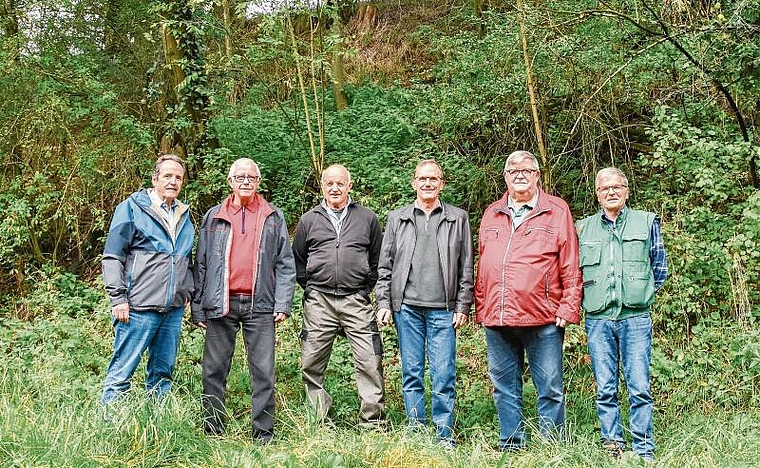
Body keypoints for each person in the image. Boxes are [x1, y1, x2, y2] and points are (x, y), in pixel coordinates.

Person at [474, 150, 582, 451]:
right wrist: (481, 307)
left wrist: (569, 304)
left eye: (526, 170)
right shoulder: (492, 213)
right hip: (497, 317)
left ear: (537, 175)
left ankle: (552, 446)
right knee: (504, 386)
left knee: (549, 387)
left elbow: (570, 260)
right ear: (505, 177)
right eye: (512, 170)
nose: (519, 174)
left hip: (544, 316)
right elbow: (484, 263)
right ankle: (511, 443)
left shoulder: (556, 210)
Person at [191, 158, 296, 444]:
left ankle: (263, 433)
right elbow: (201, 263)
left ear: (259, 182)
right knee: (213, 369)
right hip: (220, 302)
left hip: (260, 304)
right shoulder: (214, 215)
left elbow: (285, 264)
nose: (246, 181)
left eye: (251, 176)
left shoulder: (273, 216)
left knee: (263, 371)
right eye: (240, 176)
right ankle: (212, 430)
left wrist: (283, 302)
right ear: (230, 181)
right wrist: (198, 305)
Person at [375, 159, 474, 446]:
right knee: (412, 373)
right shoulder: (398, 218)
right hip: (407, 309)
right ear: (413, 183)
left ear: (442, 184)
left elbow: (467, 265)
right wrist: (384, 302)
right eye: (423, 178)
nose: (428, 183)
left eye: (434, 178)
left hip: (444, 310)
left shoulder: (458, 218)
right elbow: (386, 265)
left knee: (443, 374)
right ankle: (416, 433)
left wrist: (462, 306)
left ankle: (444, 435)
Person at [576, 167, 667, 462]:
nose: (611, 192)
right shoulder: (583, 228)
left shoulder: (646, 222)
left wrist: (642, 293)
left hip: (635, 318)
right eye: (605, 188)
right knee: (605, 387)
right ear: (597, 194)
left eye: (617, 187)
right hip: (599, 319)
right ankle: (612, 446)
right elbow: (574, 273)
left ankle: (643, 448)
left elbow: (660, 267)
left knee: (639, 386)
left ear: (627, 191)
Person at [292, 164, 385, 425]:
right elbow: (298, 260)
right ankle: (319, 418)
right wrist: (310, 288)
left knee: (369, 358)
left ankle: (373, 420)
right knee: (312, 361)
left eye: (340, 183)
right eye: (329, 183)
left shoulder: (367, 218)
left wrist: (365, 289)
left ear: (349, 186)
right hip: (320, 300)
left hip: (356, 299)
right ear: (322, 186)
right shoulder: (309, 220)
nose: (335, 188)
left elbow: (377, 261)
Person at [101, 154, 195, 404]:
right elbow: (112, 257)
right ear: (155, 179)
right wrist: (118, 298)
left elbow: (187, 259)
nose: (173, 182)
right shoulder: (131, 208)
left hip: (172, 310)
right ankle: (110, 430)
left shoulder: (184, 214)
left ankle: (157, 429)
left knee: (162, 375)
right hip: (138, 307)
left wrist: (188, 291)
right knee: (122, 373)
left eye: (178, 177)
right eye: (167, 176)